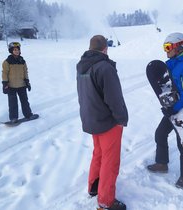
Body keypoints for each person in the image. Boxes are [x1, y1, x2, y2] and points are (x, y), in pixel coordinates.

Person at [76, 35, 128, 210]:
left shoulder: (82, 66)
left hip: (91, 119)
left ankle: (94, 187)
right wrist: (121, 119)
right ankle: (106, 201)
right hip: (107, 122)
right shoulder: (105, 68)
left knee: (98, 154)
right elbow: (114, 98)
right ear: (105, 49)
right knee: (110, 160)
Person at [146, 32, 183, 188]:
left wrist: (175, 108)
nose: (165, 51)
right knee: (160, 133)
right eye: (164, 47)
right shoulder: (169, 65)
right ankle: (162, 163)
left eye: (168, 47)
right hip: (172, 110)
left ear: (178, 47)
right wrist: (168, 106)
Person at [2, 42, 34, 123]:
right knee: (13, 103)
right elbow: (4, 73)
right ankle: (13, 118)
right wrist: (5, 84)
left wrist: (27, 81)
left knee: (25, 101)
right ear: (11, 51)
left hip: (22, 85)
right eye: (15, 50)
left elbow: (25, 72)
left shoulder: (22, 61)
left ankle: (28, 114)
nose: (16, 51)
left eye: (18, 50)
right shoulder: (7, 62)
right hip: (11, 86)